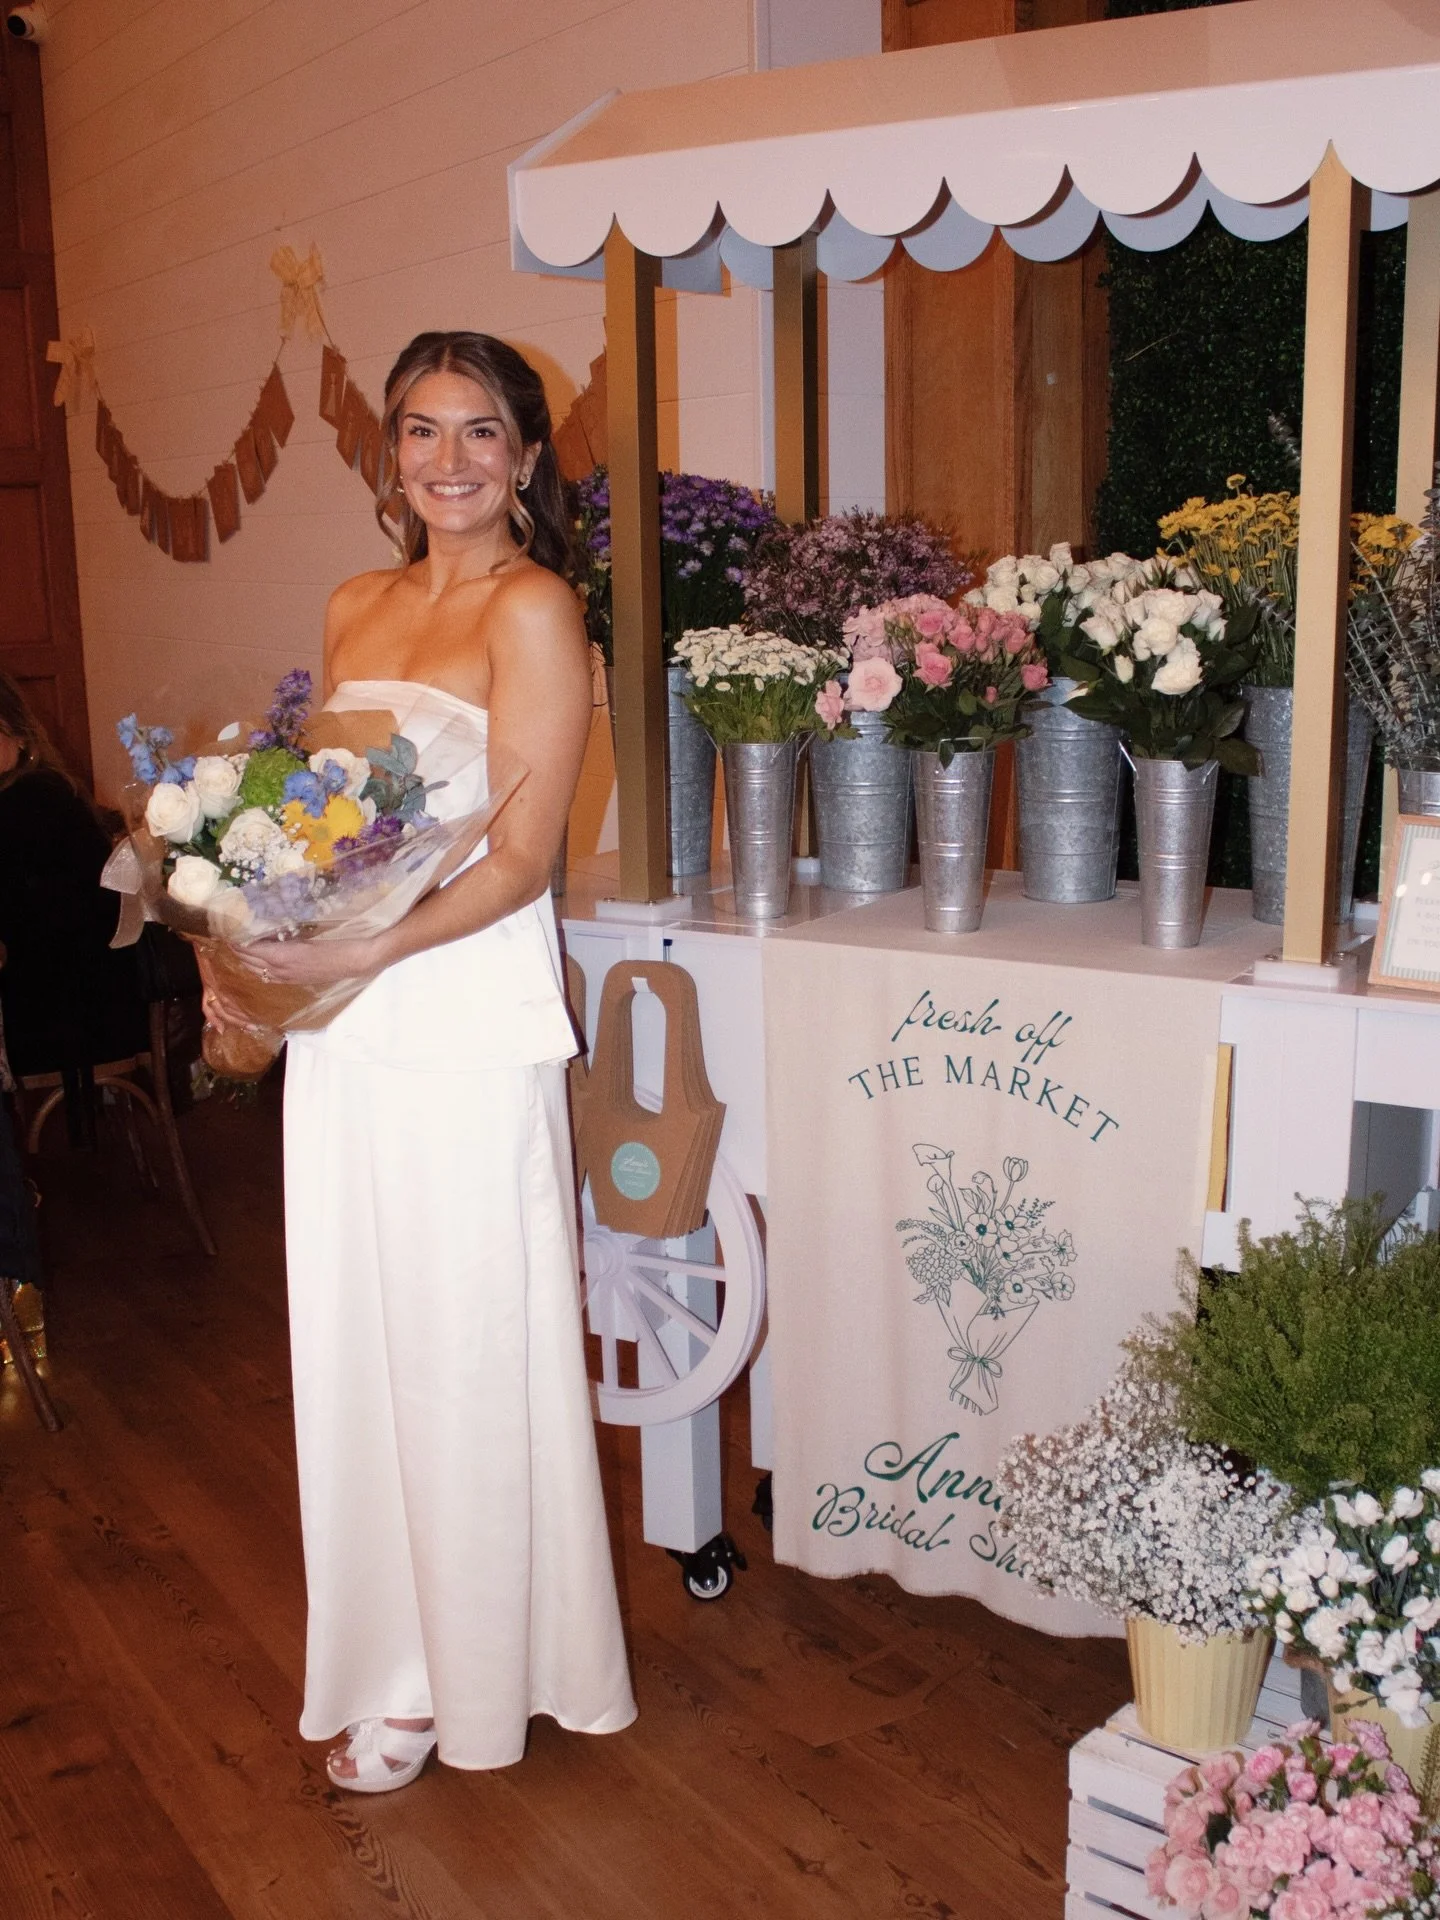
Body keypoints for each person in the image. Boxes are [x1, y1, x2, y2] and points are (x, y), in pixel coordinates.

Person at [202, 331, 635, 1791]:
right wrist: (246, 931)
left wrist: (367, 951)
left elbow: (519, 858)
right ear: (389, 453)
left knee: (463, 1345)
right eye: (420, 431)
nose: (448, 461)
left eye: (480, 432)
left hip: (455, 1007)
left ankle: (485, 1671)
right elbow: (320, 822)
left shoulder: (537, 608)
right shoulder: (354, 601)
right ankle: (394, 1661)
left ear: (526, 457)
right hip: (348, 1022)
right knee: (358, 1336)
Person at [0, 676, 149, 1101]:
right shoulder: (49, 786)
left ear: (18, 735)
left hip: (65, 1007)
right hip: (92, 995)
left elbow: (27, 918)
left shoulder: (29, 800)